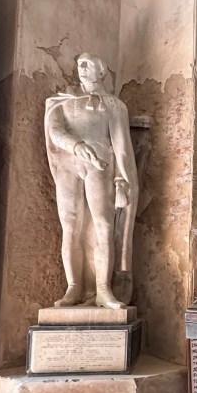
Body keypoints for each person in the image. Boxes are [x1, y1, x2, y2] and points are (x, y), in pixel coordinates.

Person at [44, 52, 138, 309]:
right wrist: (76, 145)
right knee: (70, 225)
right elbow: (54, 132)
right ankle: (74, 288)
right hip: (68, 166)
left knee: (103, 224)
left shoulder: (113, 105)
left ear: (101, 71)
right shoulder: (62, 102)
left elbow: (121, 146)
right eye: (79, 64)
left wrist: (121, 178)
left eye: (88, 64)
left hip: (100, 165)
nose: (82, 68)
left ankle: (103, 290)